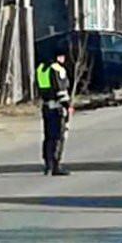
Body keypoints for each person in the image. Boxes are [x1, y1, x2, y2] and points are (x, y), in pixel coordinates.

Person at [36, 47, 73, 176]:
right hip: (58, 107)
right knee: (59, 136)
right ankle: (56, 165)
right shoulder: (58, 69)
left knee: (48, 136)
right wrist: (67, 105)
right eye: (62, 57)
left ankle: (48, 164)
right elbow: (61, 89)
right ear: (58, 57)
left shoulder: (41, 69)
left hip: (46, 106)